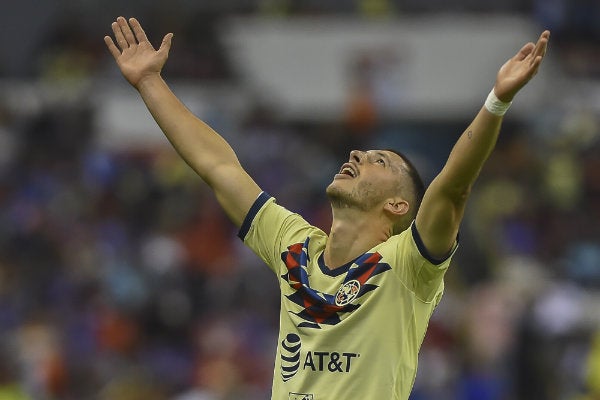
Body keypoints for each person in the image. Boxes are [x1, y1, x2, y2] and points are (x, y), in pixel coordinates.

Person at [105, 16, 550, 399]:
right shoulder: (294, 246)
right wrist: (149, 83)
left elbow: (452, 188)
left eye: (380, 161)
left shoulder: (408, 267)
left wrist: (497, 101)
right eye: (362, 153)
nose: (357, 155)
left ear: (398, 205)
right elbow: (218, 166)